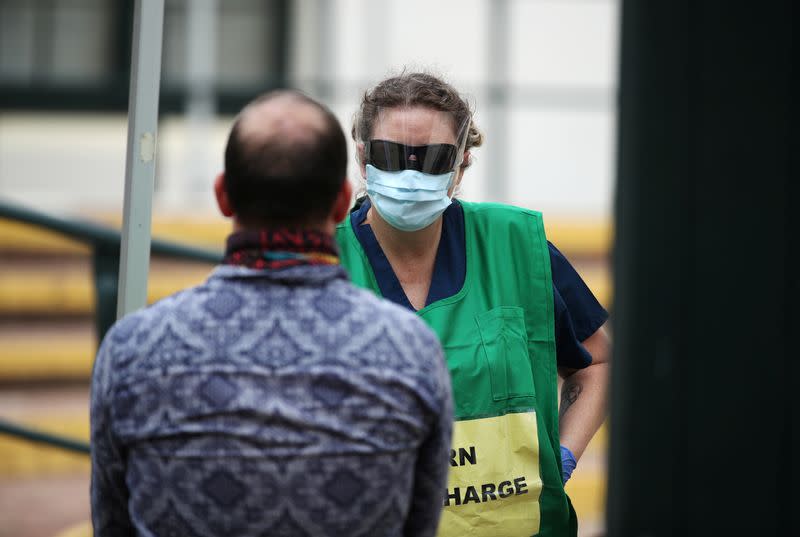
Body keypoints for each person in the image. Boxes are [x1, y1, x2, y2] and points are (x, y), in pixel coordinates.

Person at [90, 90, 453, 537]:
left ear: (223, 196)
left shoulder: (132, 350)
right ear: (342, 201)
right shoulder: (411, 350)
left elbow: (111, 522)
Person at [335, 72, 610, 537]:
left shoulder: (516, 246)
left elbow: (599, 361)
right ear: (363, 156)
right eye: (391, 155)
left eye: (432, 159)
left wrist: (560, 455)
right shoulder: (325, 261)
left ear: (461, 164)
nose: (411, 173)